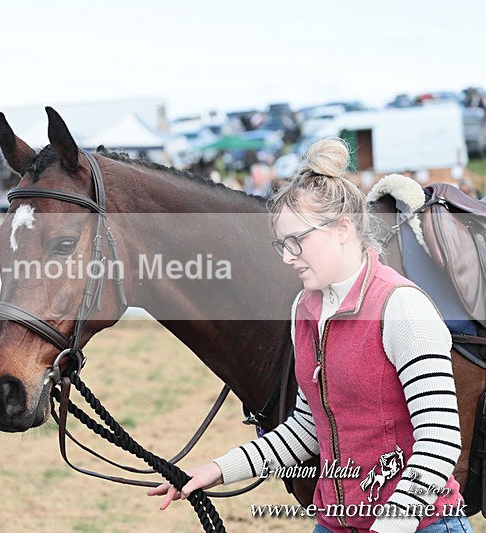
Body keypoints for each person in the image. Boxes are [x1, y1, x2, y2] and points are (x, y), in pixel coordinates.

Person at [148, 138, 472, 533]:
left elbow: (438, 443)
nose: (287, 257)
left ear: (341, 229)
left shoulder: (402, 307)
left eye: (297, 241)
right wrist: (216, 471)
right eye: (282, 244)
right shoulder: (305, 309)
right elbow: (306, 428)